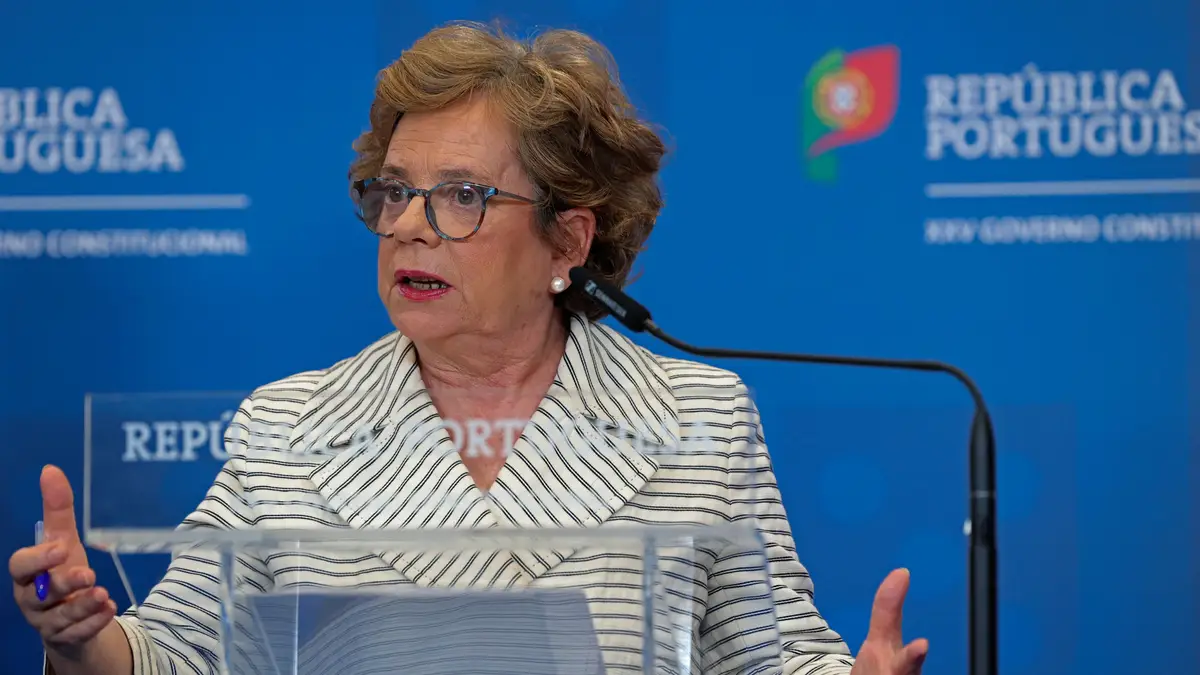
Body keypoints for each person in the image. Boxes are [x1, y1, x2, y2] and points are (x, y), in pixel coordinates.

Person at [10, 21, 929, 675]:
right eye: (394, 190)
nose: (409, 225)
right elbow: (177, 654)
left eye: (462, 196)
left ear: (568, 242)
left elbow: (775, 657)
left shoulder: (700, 420)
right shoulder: (287, 425)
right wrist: (81, 638)